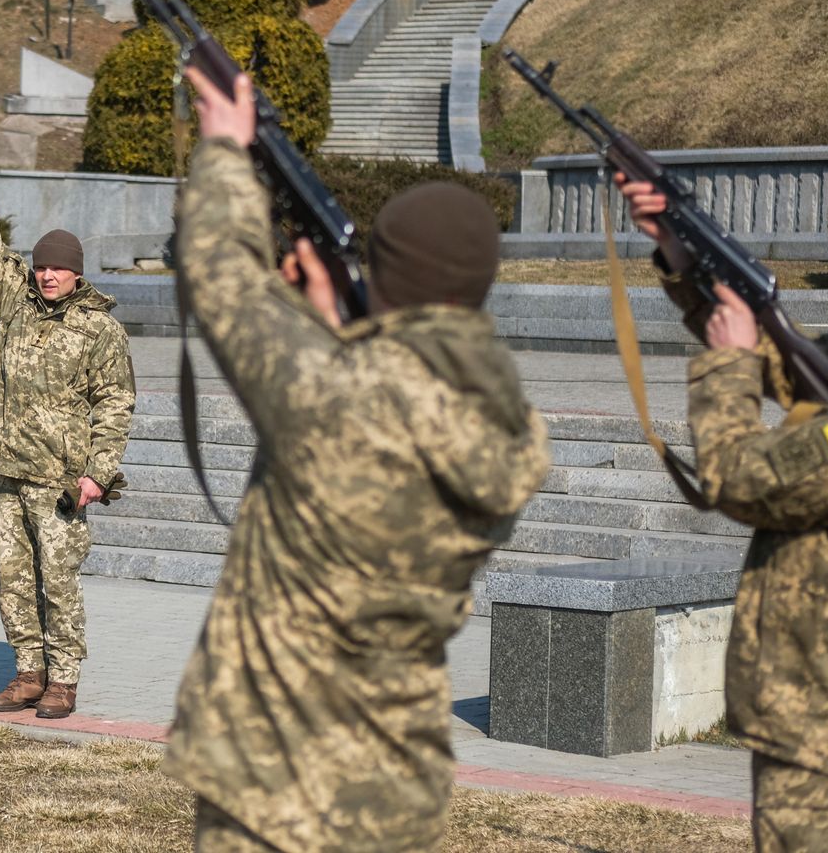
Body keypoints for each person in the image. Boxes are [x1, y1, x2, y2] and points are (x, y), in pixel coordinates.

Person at [164, 71, 552, 851]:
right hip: (393, 783)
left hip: (278, 782)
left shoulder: (336, 396)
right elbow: (389, 394)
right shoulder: (512, 427)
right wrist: (339, 328)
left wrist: (223, 156)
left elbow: (225, 281)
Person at [619, 173, 828, 853]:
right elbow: (781, 353)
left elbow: (741, 479)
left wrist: (724, 366)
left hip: (826, 736)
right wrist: (678, 249)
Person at [0, 123, 135, 720]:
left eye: (59, 268)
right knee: (13, 579)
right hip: (9, 466)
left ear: (78, 273)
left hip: (60, 477)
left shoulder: (100, 329)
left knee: (58, 582)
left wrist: (98, 474)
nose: (48, 274)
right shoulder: (16, 304)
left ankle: (64, 681)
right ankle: (28, 673)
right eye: (42, 267)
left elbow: (115, 403)